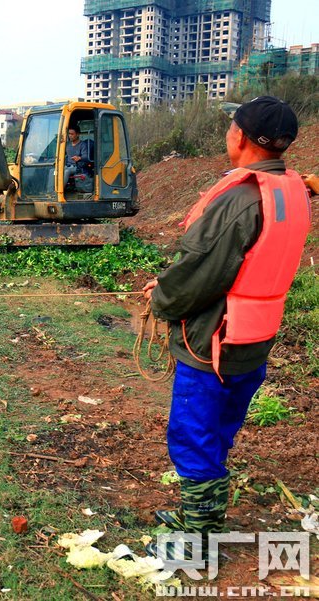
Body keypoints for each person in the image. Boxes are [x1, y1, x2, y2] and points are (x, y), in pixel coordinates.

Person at [142, 96, 311, 558]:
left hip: (213, 341)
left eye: (230, 128)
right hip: (254, 338)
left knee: (194, 432)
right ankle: (205, 516)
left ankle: (197, 537)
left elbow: (197, 273)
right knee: (219, 429)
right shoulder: (292, 190)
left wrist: (160, 299)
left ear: (239, 135)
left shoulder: (239, 199)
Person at [64, 126, 93, 191]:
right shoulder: (67, 145)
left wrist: (79, 158)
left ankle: (59, 191)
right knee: (53, 170)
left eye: (72, 134)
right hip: (67, 165)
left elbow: (85, 156)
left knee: (66, 171)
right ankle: (51, 191)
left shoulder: (82, 145)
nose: (70, 136)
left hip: (76, 167)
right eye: (69, 134)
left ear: (77, 134)